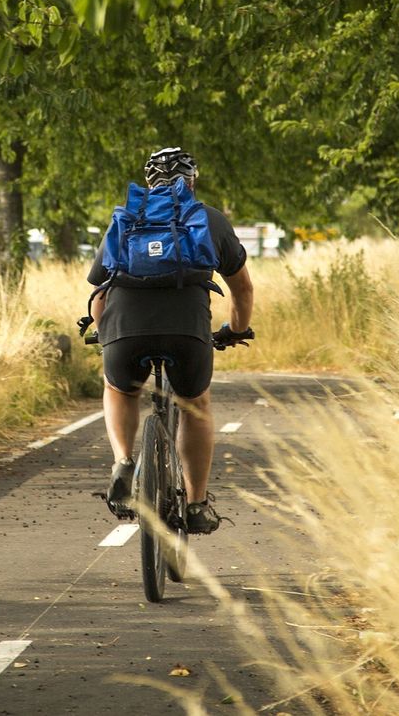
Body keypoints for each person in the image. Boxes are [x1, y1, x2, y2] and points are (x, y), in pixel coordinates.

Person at [86, 147, 254, 534]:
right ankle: (196, 504)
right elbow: (242, 289)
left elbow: (99, 292)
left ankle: (124, 461)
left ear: (148, 183)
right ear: (192, 181)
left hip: (125, 326)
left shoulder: (126, 218)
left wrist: (104, 331)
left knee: (120, 388)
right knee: (195, 405)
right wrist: (238, 329)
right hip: (187, 329)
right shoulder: (208, 219)